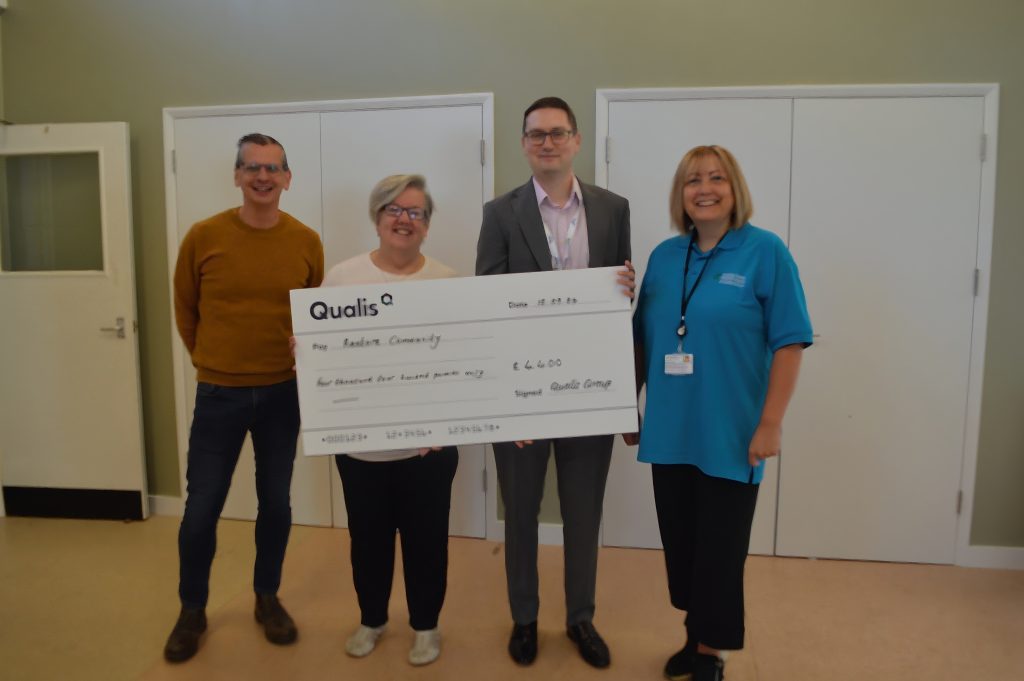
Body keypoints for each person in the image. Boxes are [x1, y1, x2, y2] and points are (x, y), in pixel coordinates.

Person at [629, 145, 812, 681]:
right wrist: (626, 408)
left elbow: (789, 342)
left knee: (721, 553)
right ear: (680, 194)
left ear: (735, 190)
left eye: (716, 179)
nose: (704, 189)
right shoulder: (664, 257)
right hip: (670, 432)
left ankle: (712, 652)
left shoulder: (765, 252)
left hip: (734, 434)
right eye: (692, 180)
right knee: (683, 550)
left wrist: (771, 422)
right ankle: (694, 635)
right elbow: (643, 340)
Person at [476, 96, 633, 669]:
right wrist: (503, 401)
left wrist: (626, 398)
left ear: (576, 141)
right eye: (536, 134)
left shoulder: (614, 209)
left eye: (558, 133)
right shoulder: (500, 213)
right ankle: (524, 619)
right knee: (519, 511)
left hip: (590, 393)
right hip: (522, 394)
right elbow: (487, 304)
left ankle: (580, 618)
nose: (547, 142)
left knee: (583, 512)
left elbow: (623, 308)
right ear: (523, 143)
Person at [165, 133, 324, 663]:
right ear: (237, 175)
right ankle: (192, 609)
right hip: (219, 394)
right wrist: (209, 359)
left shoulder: (306, 240)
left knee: (275, 503)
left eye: (273, 168)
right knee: (201, 509)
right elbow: (186, 308)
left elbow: (313, 316)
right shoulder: (204, 235)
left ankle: (266, 597)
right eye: (252, 167)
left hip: (283, 394)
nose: (262, 176)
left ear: (287, 178)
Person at [323, 174, 459, 667]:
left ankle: (425, 626)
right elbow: (328, 356)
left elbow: (462, 366)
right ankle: (372, 618)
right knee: (368, 540)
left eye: (415, 212)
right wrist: (308, 352)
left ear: (427, 224)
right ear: (377, 218)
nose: (404, 220)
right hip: (362, 449)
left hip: (429, 450)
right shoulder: (342, 278)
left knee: (427, 542)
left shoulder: (447, 282)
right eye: (393, 210)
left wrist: (443, 428)